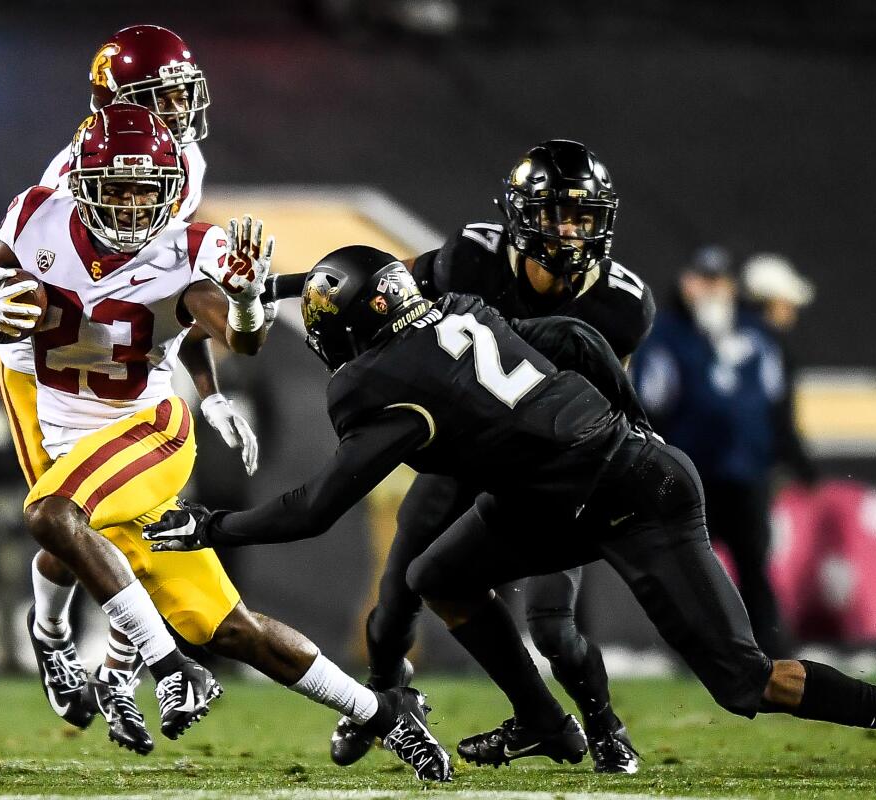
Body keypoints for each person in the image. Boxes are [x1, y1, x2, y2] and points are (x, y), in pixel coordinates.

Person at [146, 246, 876, 791]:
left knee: (742, 682)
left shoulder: (374, 382)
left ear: (347, 331)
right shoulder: (459, 308)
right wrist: (630, 415)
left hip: (631, 496)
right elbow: (575, 337)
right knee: (440, 574)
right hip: (575, 486)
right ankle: (546, 722)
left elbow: (315, 507)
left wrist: (209, 527)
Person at [0, 105, 449, 780]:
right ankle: (382, 714)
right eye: (114, 188)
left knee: (52, 516)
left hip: (146, 433)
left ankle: (168, 666)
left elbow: (242, 339)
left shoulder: (189, 249)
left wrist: (243, 304)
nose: (128, 206)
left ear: (169, 190)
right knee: (231, 628)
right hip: (72, 442)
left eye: (144, 191)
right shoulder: (37, 216)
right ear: (81, 182)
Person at [265, 139, 651, 773]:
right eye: (555, 213)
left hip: (547, 475)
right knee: (394, 604)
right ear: (522, 215)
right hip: (462, 455)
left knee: (554, 625)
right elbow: (381, 284)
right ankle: (383, 701)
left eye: (582, 216)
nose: (569, 231)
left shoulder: (622, 303)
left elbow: (614, 393)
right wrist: (277, 285)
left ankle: (604, 724)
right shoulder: (474, 257)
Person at [0, 25, 261, 748]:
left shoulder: (181, 160)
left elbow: (168, 295)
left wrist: (205, 388)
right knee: (68, 520)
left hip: (124, 351)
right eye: (161, 95)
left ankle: (119, 665)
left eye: (182, 91)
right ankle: (52, 637)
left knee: (108, 521)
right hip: (40, 357)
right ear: (116, 100)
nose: (179, 106)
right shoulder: (76, 168)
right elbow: (19, 266)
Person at [631, 246, 797, 657]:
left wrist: (779, 455)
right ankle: (693, 650)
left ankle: (769, 648)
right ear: (685, 283)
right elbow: (651, 403)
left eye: (718, 281)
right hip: (691, 471)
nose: (709, 291)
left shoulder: (756, 334)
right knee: (688, 566)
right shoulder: (666, 335)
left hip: (746, 471)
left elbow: (774, 402)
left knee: (754, 563)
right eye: (701, 280)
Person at [742, 252, 819, 486]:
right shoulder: (770, 351)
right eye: (787, 304)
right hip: (753, 472)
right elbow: (778, 418)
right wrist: (808, 474)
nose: (792, 312)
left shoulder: (714, 341)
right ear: (770, 303)